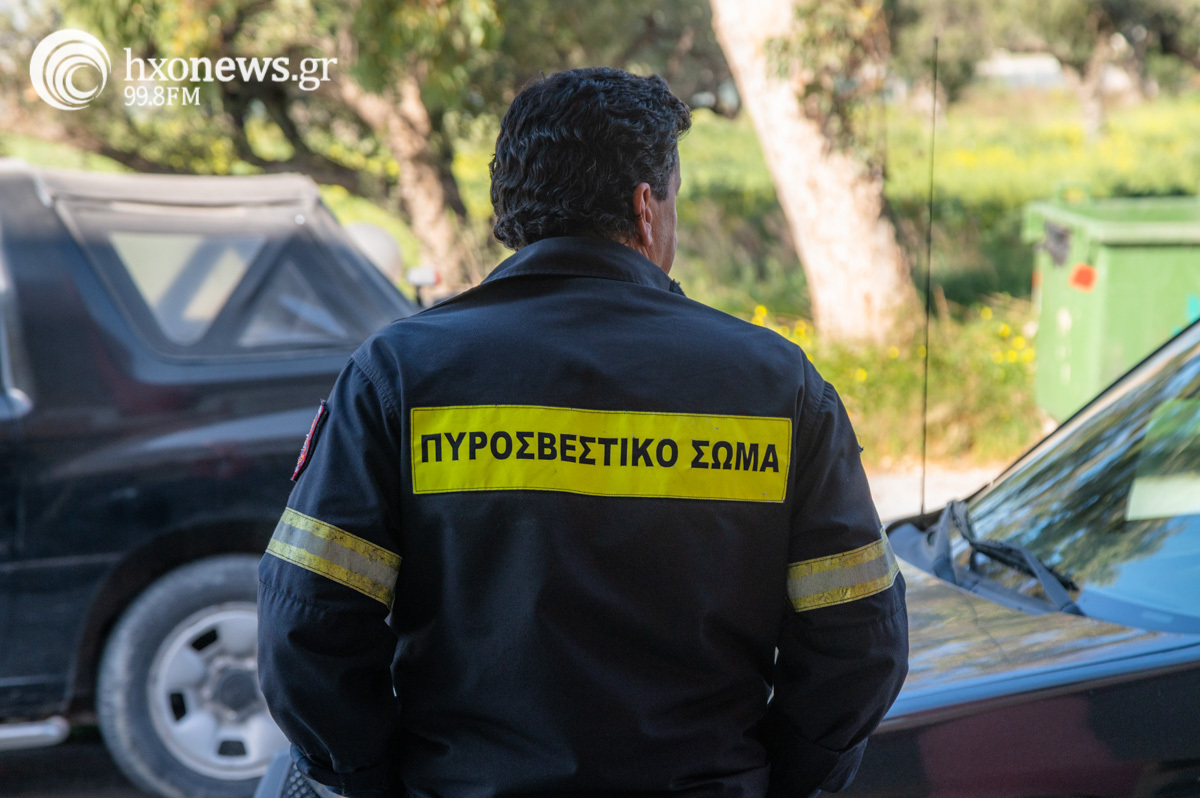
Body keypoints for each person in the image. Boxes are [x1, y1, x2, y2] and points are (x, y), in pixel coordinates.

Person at [258, 66, 908, 798]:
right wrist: (772, 781)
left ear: (512, 209)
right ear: (645, 207)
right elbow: (860, 644)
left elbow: (306, 630)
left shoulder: (398, 377)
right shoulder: (776, 386)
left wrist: (378, 782)